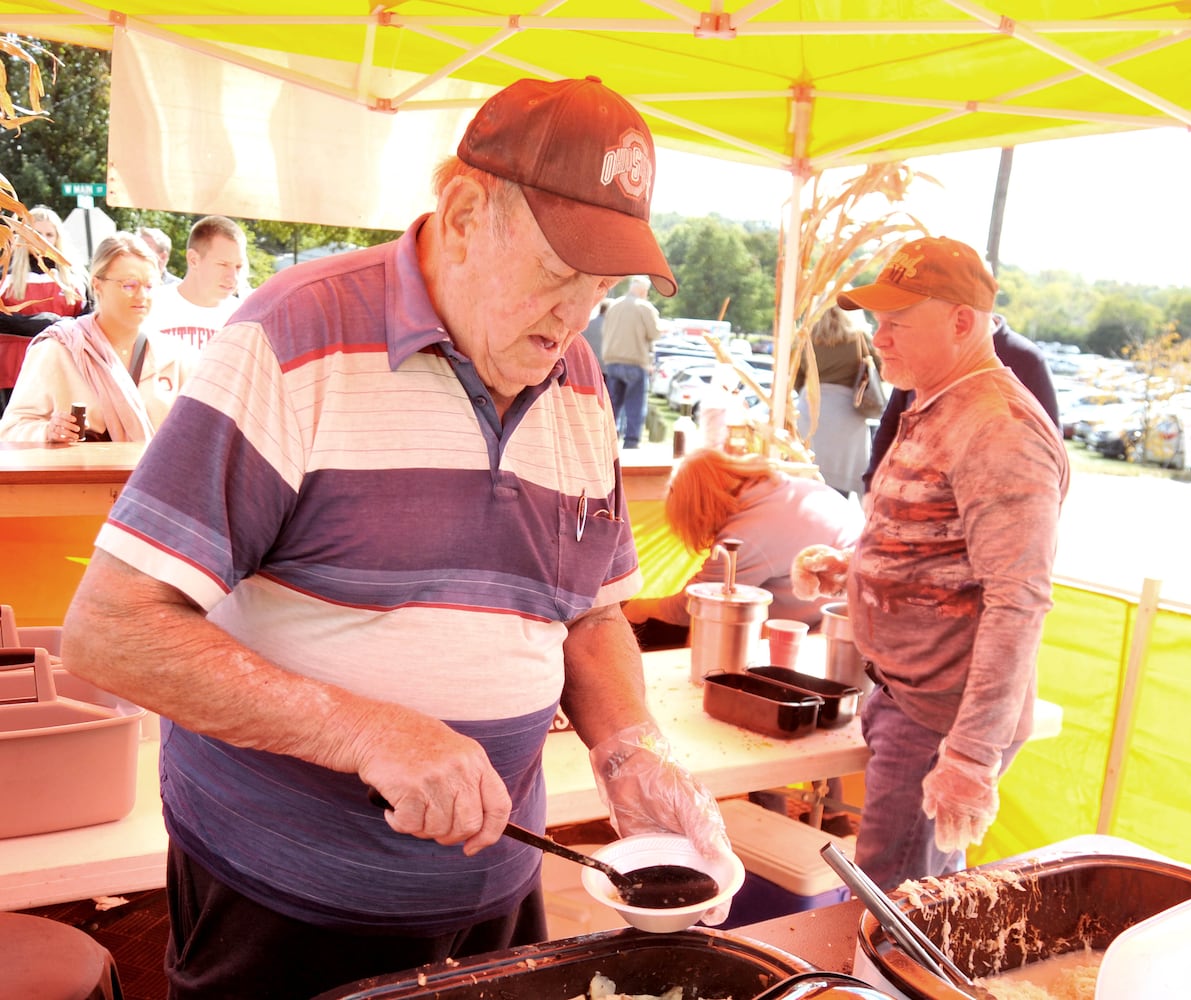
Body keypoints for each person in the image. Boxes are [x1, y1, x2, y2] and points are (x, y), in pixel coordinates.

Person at [60, 76, 728, 1000]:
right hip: (281, 899)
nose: (578, 314)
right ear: (462, 212)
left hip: (496, 889)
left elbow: (588, 612)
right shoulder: (293, 336)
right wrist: (363, 731)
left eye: (603, 284)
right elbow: (112, 630)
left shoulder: (573, 381)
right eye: (559, 270)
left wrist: (628, 747)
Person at [792, 236, 1069, 892]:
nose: (877, 340)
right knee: (917, 892)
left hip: (941, 719)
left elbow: (1017, 597)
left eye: (895, 324)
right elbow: (939, 540)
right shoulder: (935, 398)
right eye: (876, 322)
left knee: (898, 907)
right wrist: (856, 565)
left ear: (961, 322)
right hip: (909, 701)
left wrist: (969, 757)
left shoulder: (998, 426)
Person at [623, 448, 863, 648]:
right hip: (846, 613)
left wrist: (640, 607)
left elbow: (696, 604)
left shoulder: (746, 533)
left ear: (698, 510)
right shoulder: (783, 488)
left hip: (821, 632)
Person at [0, 233, 198, 443]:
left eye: (148, 286)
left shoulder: (175, 358)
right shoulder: (57, 349)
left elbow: (197, 435)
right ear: (97, 285)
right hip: (82, 475)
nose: (142, 296)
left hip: (154, 476)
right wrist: (47, 432)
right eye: (129, 285)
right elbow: (11, 429)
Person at [863, 314, 1060, 490]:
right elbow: (891, 424)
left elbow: (1048, 453)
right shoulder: (924, 350)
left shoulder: (1026, 360)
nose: (879, 339)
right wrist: (872, 485)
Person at [794, 305, 880, 497]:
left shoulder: (805, 337)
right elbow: (881, 370)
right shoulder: (860, 338)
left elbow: (795, 378)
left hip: (811, 412)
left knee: (809, 479)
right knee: (841, 484)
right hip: (848, 416)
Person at [146, 214, 247, 351]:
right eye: (223, 264)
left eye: (238, 266)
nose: (233, 277)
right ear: (193, 260)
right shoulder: (150, 305)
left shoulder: (244, 318)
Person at [602, 275, 665, 448]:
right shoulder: (645, 308)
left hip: (613, 361)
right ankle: (631, 443)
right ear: (644, 291)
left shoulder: (613, 306)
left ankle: (607, 441)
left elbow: (605, 331)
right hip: (635, 362)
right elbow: (654, 333)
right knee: (635, 405)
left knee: (612, 405)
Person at [0, 204, 88, 319]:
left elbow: (90, 318)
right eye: (37, 234)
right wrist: (38, 323)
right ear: (25, 236)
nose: (43, 240)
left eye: (49, 235)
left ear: (58, 238)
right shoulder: (5, 274)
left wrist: (57, 327)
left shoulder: (76, 276)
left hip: (64, 336)